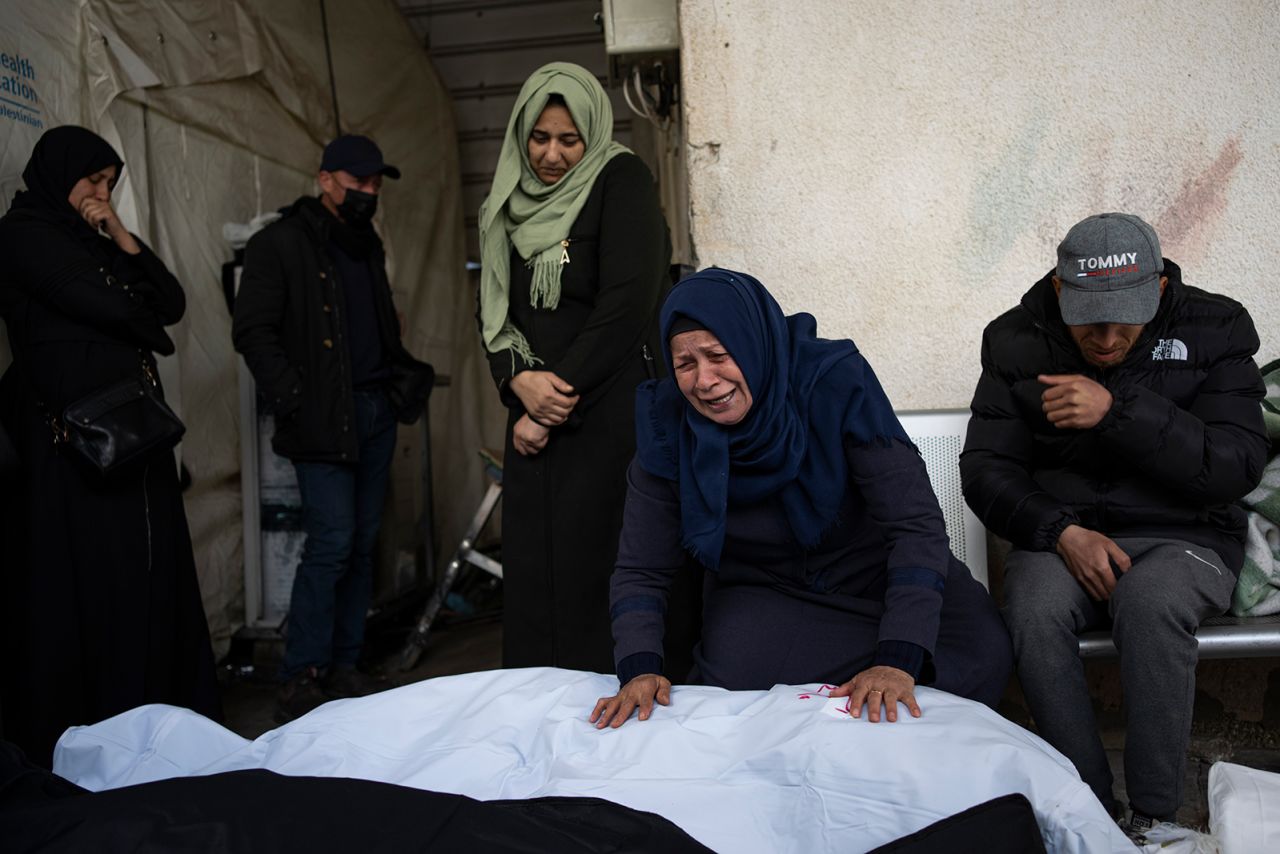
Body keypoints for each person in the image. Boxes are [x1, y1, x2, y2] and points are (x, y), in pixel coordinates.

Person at [590, 268, 1012, 728]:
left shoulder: (832, 382)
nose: (705, 381)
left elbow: (915, 526)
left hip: (880, 579)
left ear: (753, 342)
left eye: (717, 355)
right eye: (685, 365)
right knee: (736, 708)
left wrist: (898, 658)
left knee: (979, 650)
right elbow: (640, 567)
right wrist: (638, 667)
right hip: (767, 594)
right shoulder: (666, 424)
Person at [960, 213, 1267, 835]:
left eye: (1123, 316)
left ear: (1156, 290)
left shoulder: (1217, 325)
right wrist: (1060, 531)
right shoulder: (1013, 340)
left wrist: (1117, 411)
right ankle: (1092, 810)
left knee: (1150, 600)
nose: (1104, 337)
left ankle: (1157, 818)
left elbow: (1236, 464)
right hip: (1065, 537)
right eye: (1086, 318)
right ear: (1057, 291)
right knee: (1032, 606)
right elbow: (987, 469)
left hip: (1189, 537)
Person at [0, 126, 221, 766]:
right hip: (68, 442)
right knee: (84, 584)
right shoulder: (22, 236)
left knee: (145, 576)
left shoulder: (92, 241)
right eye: (92, 181)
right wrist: (131, 300)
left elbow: (169, 304)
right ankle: (85, 733)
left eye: (109, 183)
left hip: (130, 433)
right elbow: (125, 313)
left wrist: (121, 236)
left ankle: (148, 721)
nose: (101, 194)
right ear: (57, 174)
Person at [477, 62, 672, 671]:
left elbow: (627, 306)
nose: (553, 154)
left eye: (569, 139)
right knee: (538, 575)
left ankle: (617, 717)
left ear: (591, 133)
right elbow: (494, 311)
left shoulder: (622, 179)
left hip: (607, 413)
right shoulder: (508, 203)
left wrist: (553, 399)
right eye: (539, 137)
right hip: (532, 417)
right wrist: (518, 381)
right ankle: (543, 723)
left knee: (605, 565)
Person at [233, 134, 433, 722]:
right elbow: (253, 331)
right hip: (323, 420)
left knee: (362, 544)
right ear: (325, 180)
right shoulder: (280, 244)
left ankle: (345, 665)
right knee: (332, 544)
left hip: (373, 411)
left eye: (375, 185)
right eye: (358, 183)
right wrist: (296, 397)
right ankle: (301, 674)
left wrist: (398, 380)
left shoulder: (365, 243)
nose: (369, 193)